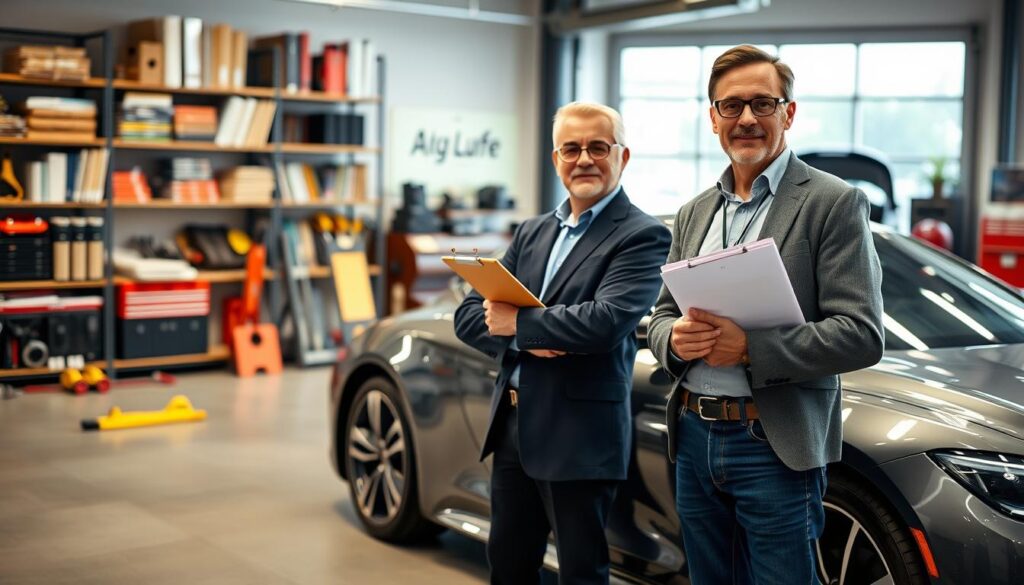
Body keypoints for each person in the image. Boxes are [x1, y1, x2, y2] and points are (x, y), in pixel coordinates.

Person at [647, 45, 884, 584]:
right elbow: (660, 316)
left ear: (788, 113)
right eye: (731, 106)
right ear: (713, 119)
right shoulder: (694, 212)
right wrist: (674, 339)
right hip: (693, 434)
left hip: (771, 445)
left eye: (762, 103)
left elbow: (861, 334)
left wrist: (752, 348)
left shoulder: (833, 202)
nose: (747, 118)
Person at [453, 101, 671, 585]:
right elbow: (469, 315)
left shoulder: (641, 235)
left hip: (580, 436)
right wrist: (529, 336)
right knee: (508, 567)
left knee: (581, 574)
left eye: (598, 147)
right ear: (556, 159)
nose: (584, 159)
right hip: (512, 427)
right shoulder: (533, 232)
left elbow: (604, 322)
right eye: (571, 148)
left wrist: (519, 325)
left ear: (623, 156)